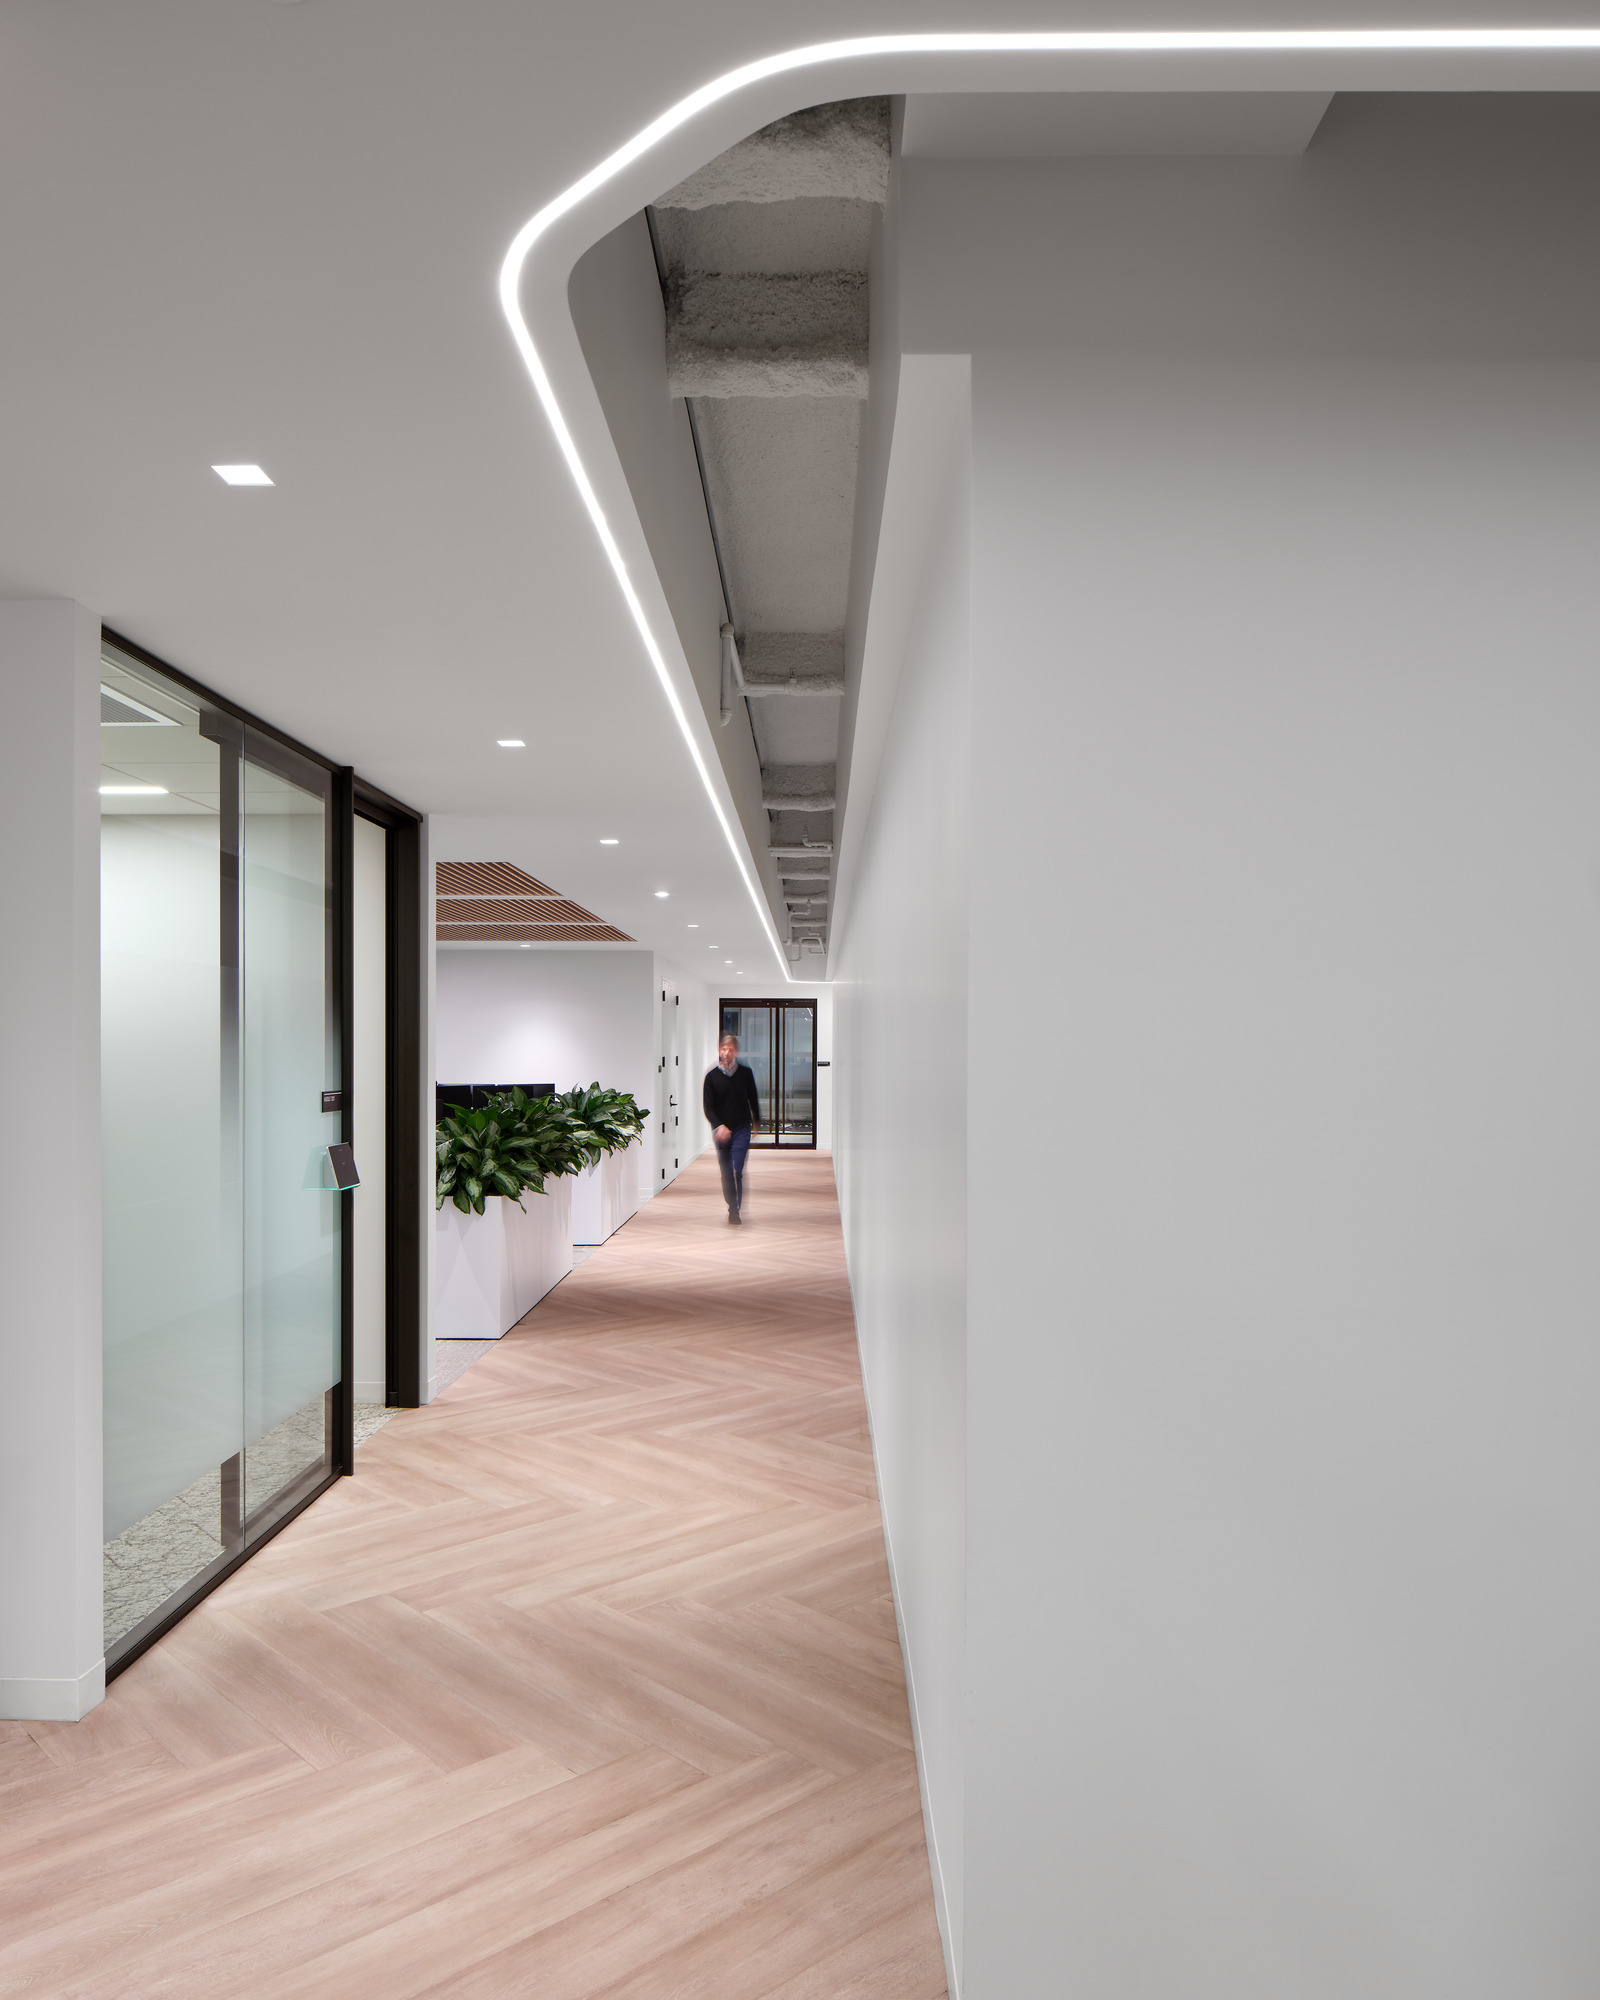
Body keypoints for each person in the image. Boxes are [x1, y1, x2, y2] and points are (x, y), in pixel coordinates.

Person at [703, 1031, 761, 1223]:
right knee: (726, 1171)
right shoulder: (711, 1077)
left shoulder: (745, 1073)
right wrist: (719, 1126)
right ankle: (731, 1206)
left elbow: (752, 1097)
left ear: (735, 1051)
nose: (726, 1053)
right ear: (719, 1051)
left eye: (729, 1049)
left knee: (737, 1168)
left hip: (741, 1128)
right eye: (723, 1049)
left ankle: (736, 1210)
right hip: (721, 1132)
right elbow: (708, 1107)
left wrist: (757, 1121)